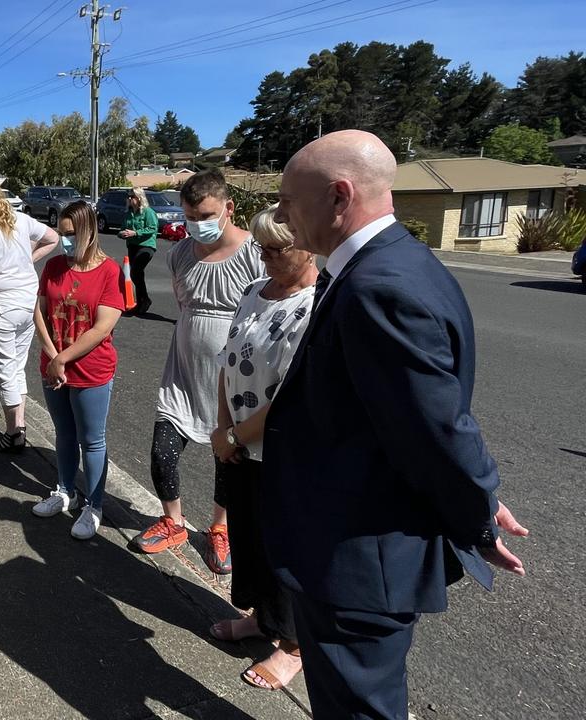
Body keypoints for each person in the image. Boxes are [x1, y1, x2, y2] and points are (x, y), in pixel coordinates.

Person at [264, 130, 527, 720]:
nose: (281, 214)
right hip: (351, 542)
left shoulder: (379, 287)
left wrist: (477, 509)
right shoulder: (392, 263)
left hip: (357, 555)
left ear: (338, 196)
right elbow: (421, 410)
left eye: (288, 199)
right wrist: (479, 492)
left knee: (360, 709)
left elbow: (435, 428)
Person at [131, 168, 264, 577]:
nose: (197, 225)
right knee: (162, 452)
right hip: (183, 370)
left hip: (233, 378)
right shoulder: (180, 253)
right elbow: (185, 304)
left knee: (227, 457)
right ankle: (173, 521)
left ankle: (219, 528)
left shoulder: (255, 252)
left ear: (229, 208)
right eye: (190, 217)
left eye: (205, 216)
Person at [205, 205, 316, 692]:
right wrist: (222, 427)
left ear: (308, 245)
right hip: (238, 442)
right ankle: (260, 619)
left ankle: (294, 646)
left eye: (277, 249)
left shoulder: (315, 305)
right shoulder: (254, 292)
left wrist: (236, 436)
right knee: (249, 537)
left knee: (285, 548)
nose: (266, 257)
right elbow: (230, 360)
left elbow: (293, 394)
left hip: (280, 449)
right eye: (261, 248)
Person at [30, 200, 124, 539]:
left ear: (89, 231)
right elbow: (39, 311)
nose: (65, 240)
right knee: (65, 434)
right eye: (61, 232)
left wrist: (63, 358)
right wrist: (52, 354)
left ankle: (94, 505)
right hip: (54, 367)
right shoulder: (55, 266)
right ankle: (64, 490)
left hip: (90, 370)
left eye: (71, 234)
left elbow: (102, 327)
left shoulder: (109, 270)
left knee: (92, 440)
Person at [0, 176, 59, 453]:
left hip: (3, 306)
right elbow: (52, 238)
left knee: (6, 370)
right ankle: (20, 425)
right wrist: (26, 261)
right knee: (17, 366)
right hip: (28, 302)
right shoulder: (19, 219)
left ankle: (12, 433)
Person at [117, 187, 158, 316]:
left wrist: (136, 233)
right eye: (128, 197)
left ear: (139, 198)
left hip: (146, 246)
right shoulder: (129, 213)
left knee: (136, 271)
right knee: (136, 275)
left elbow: (152, 228)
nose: (130, 199)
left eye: (132, 197)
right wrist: (122, 233)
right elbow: (122, 228)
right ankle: (142, 301)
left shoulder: (148, 212)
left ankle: (143, 300)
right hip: (132, 246)